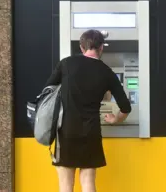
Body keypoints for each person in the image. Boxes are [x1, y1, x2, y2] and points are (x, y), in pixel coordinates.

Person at [44, 29, 131, 192]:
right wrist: (116, 119)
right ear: (101, 48)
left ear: (82, 47)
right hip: (91, 132)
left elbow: (47, 91)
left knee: (65, 185)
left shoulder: (66, 64)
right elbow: (126, 107)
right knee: (88, 182)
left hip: (66, 131)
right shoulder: (106, 72)